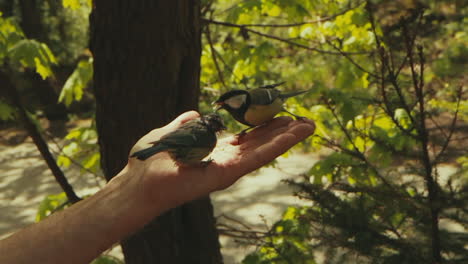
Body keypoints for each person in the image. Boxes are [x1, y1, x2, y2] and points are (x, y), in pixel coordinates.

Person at [0, 111, 315, 264]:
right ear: (213, 129)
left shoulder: (199, 131)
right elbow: (182, 147)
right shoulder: (204, 138)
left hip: (172, 151)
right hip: (178, 152)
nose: (219, 131)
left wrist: (132, 185)